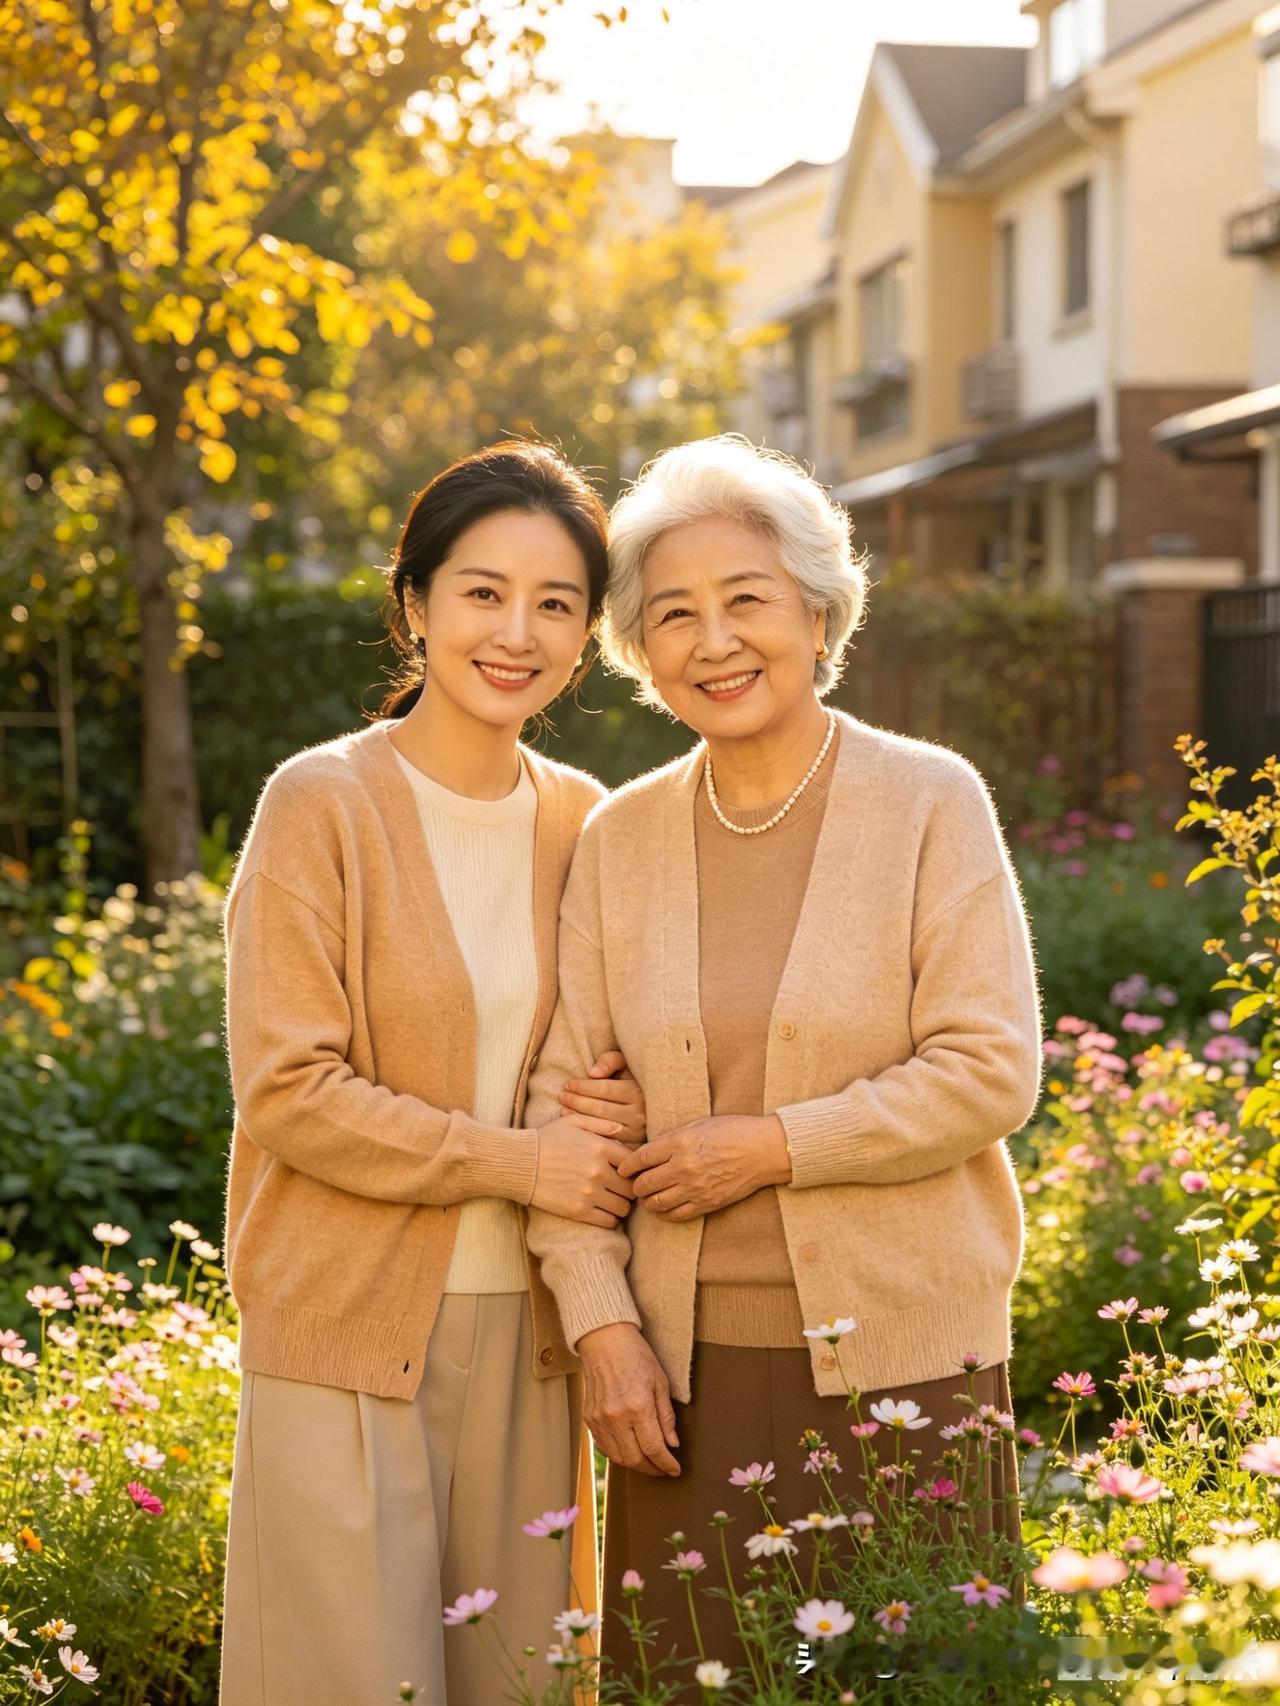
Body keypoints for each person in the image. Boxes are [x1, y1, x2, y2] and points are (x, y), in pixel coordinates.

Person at [528, 435, 1044, 1681]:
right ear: (638, 649)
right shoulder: (619, 839)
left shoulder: (927, 799)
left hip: (907, 1360)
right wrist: (602, 1327)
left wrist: (768, 1147)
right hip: (680, 1382)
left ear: (816, 613)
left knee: (916, 1680)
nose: (713, 641)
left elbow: (987, 1066)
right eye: (672, 614)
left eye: (745, 599)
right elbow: (563, 1116)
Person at [219, 441, 644, 1706]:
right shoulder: (321, 804)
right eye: (482, 591)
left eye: (555, 602)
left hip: (529, 1337)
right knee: (346, 1683)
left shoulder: (587, 821)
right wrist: (523, 1159)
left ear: (584, 632)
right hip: (343, 1329)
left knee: (519, 1681)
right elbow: (289, 1089)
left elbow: (605, 1056)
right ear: (413, 602)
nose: (516, 632)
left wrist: (621, 1104)